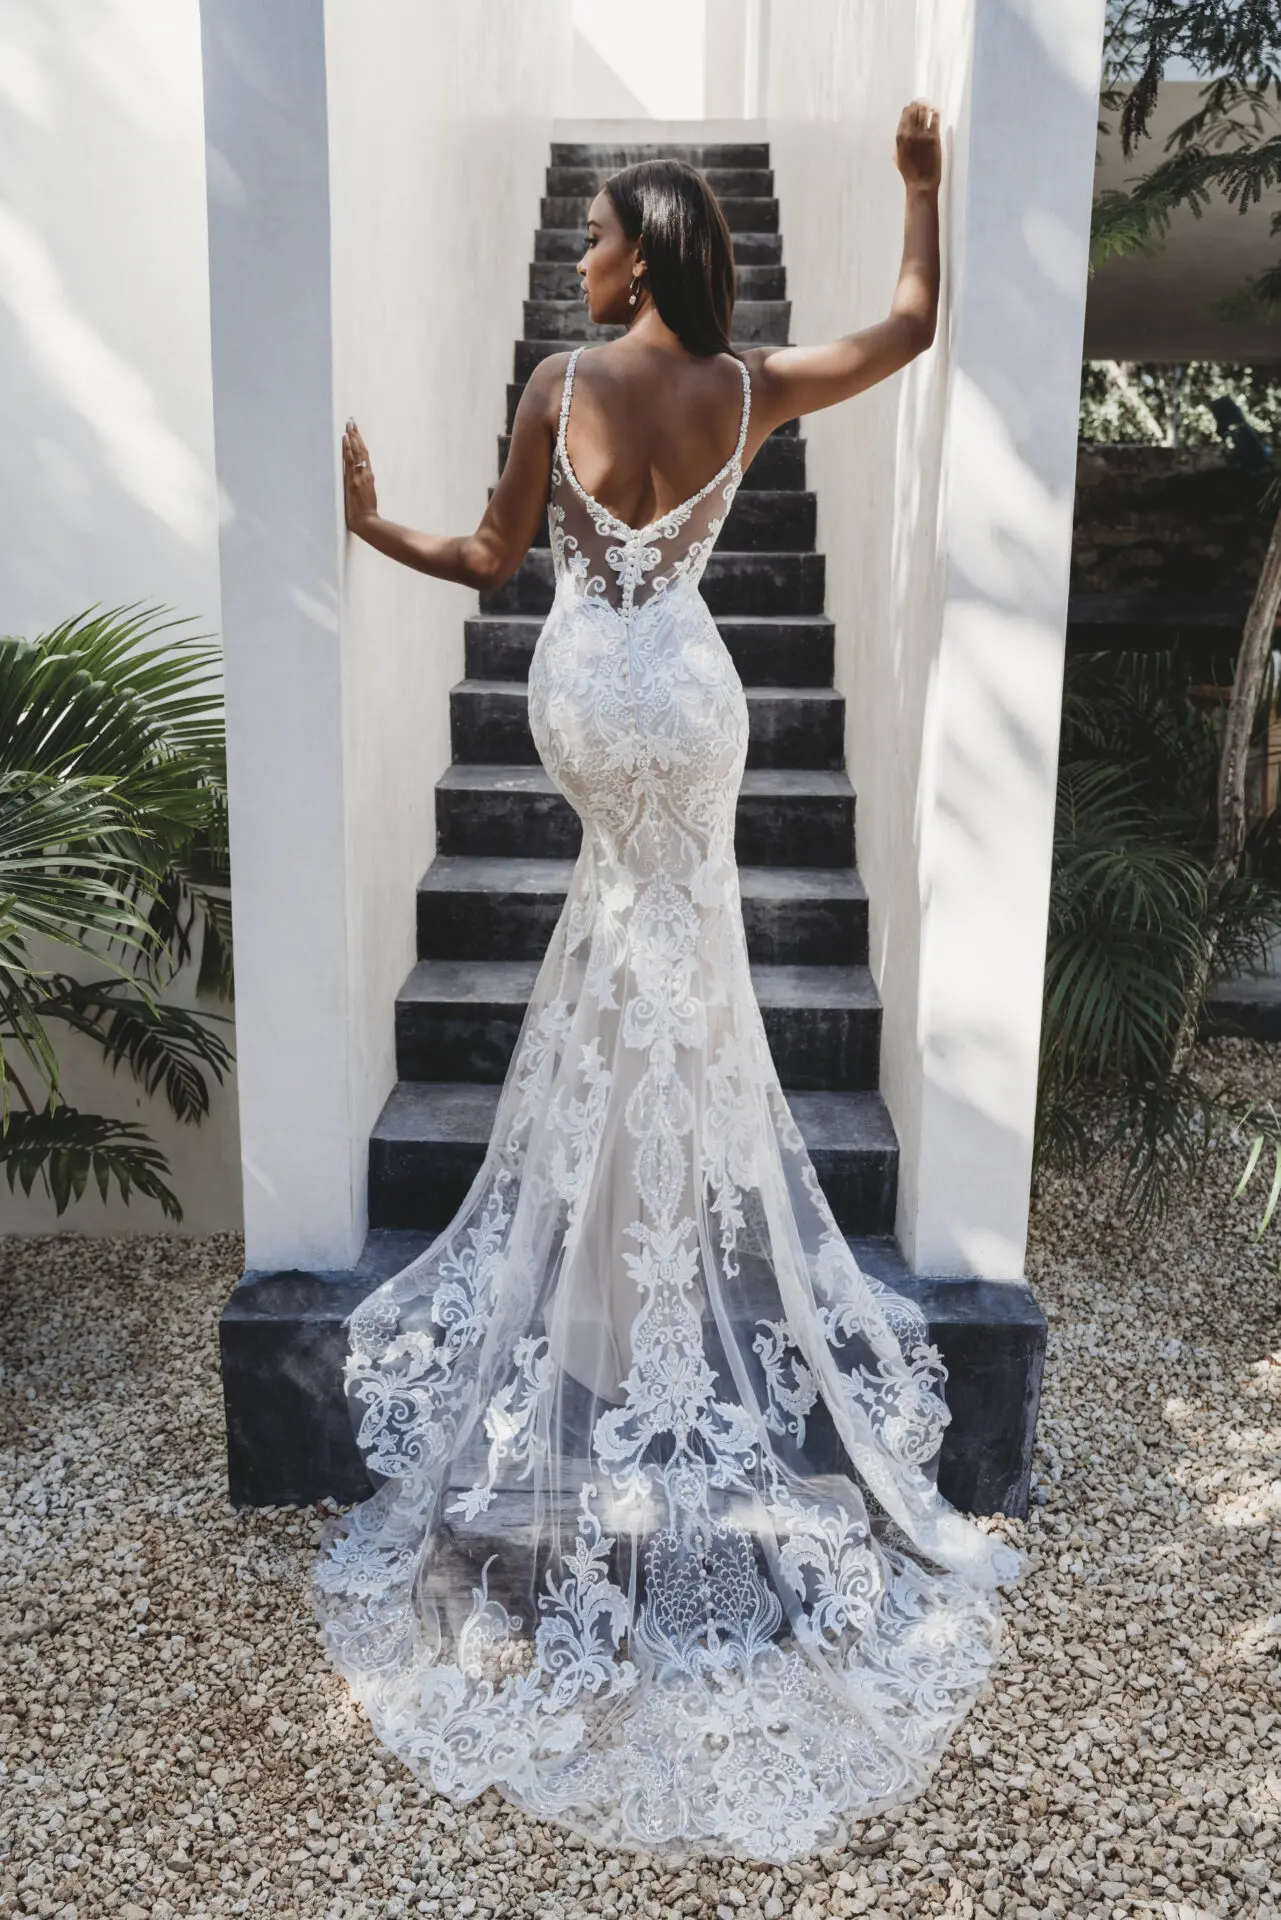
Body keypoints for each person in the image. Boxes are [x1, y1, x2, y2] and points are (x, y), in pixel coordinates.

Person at [313, 102, 1023, 1865]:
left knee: (618, 959)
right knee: (685, 978)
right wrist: (921, 193)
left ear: (642, 242)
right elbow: (919, 326)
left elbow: (493, 565)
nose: (579, 255)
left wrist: (374, 525)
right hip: (694, 700)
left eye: (599, 238)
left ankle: (615, 1315)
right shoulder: (750, 383)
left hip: (583, 696)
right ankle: (662, 1290)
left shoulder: (564, 385)